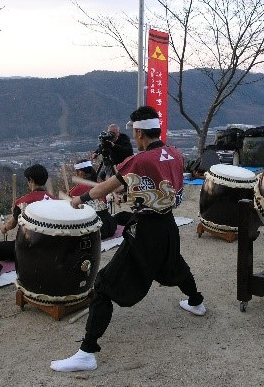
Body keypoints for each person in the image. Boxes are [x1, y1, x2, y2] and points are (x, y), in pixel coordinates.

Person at [51, 106, 206, 372]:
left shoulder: (140, 161)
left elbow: (108, 186)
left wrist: (81, 198)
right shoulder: (176, 154)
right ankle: (196, 302)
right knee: (173, 264)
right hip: (167, 224)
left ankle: (87, 352)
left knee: (103, 285)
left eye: (133, 133)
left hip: (145, 230)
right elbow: (150, 186)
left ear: (138, 132)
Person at [0, 164, 55, 260]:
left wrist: (3, 228)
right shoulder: (55, 200)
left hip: (29, 247)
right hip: (52, 245)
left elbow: (11, 225)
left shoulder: (23, 202)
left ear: (31, 180)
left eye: (28, 180)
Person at [68, 159, 117, 238]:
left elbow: (70, 201)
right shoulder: (99, 184)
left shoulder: (79, 187)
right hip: (110, 225)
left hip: (97, 228)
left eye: (76, 171)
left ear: (80, 172)